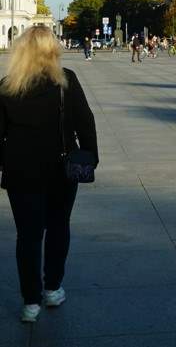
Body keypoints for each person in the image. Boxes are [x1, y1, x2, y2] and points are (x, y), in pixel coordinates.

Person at [0, 26, 98, 323]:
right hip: (62, 170)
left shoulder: (7, 86)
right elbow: (86, 122)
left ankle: (30, 302)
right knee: (58, 227)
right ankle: (53, 288)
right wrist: (90, 156)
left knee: (27, 236)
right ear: (53, 51)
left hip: (21, 172)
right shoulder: (66, 81)